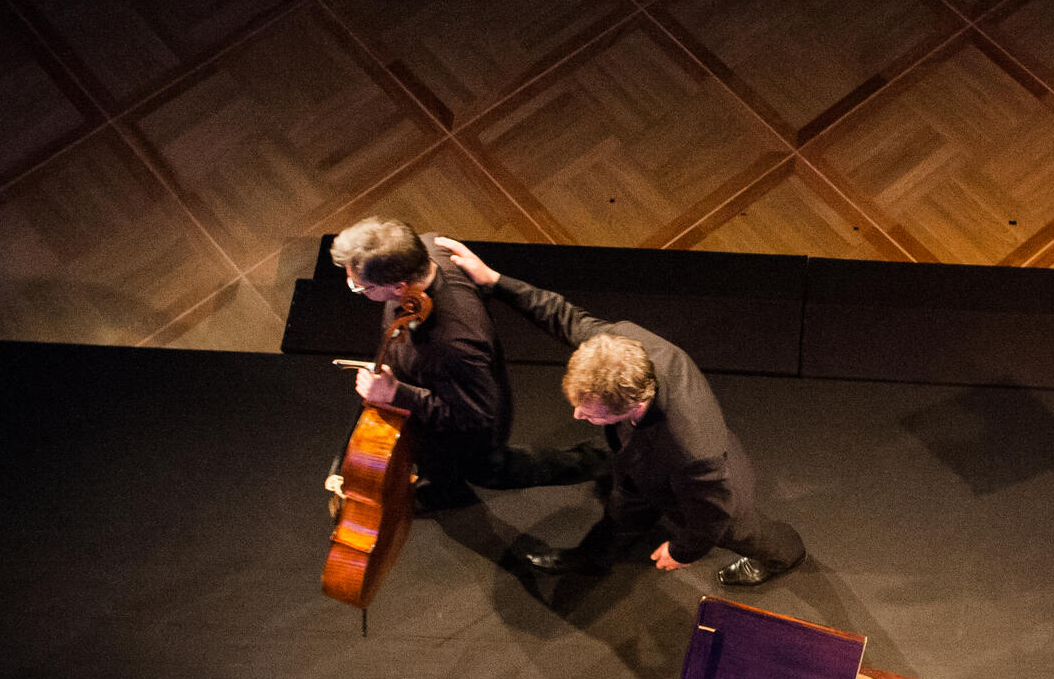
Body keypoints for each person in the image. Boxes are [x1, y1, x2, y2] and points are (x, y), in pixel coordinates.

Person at [434, 237, 806, 588]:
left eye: (591, 414)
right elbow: (561, 315)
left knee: (744, 533)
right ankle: (593, 558)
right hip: (641, 462)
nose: (578, 417)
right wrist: (494, 280)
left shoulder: (694, 453)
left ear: (631, 404)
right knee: (621, 510)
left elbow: (711, 517)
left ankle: (785, 557)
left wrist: (681, 551)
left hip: (693, 486)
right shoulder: (619, 346)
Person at [328, 218, 603, 508]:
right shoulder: (433, 246)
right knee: (437, 466)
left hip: (468, 430)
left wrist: (398, 393)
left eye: (361, 288)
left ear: (399, 287)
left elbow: (475, 417)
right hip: (436, 393)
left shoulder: (453, 344)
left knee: (490, 471)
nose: (355, 289)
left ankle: (594, 461)